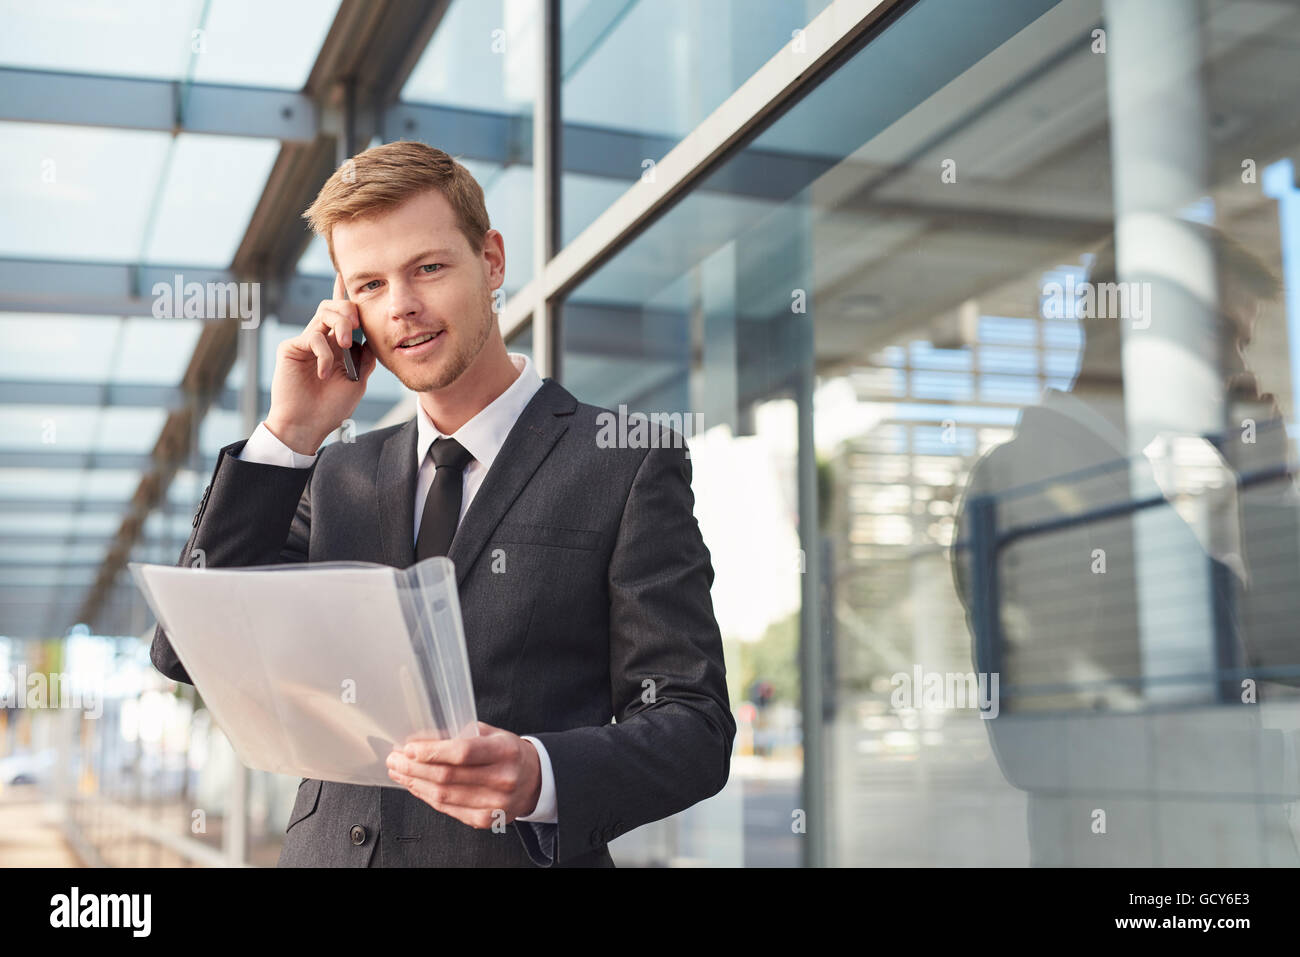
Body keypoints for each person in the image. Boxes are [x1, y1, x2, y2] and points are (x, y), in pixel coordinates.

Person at [150, 140, 735, 867]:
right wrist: (290, 434)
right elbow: (188, 647)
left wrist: (537, 773)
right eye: (369, 284)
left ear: (490, 261)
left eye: (428, 267)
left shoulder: (624, 461)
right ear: (347, 307)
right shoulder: (334, 475)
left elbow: (693, 723)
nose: (403, 307)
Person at [951, 225, 1300, 865]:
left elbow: (1283, 656)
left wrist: (1267, 493)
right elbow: (1042, 747)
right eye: (1223, 335)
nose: (1239, 370)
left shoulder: (1127, 481)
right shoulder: (1036, 478)